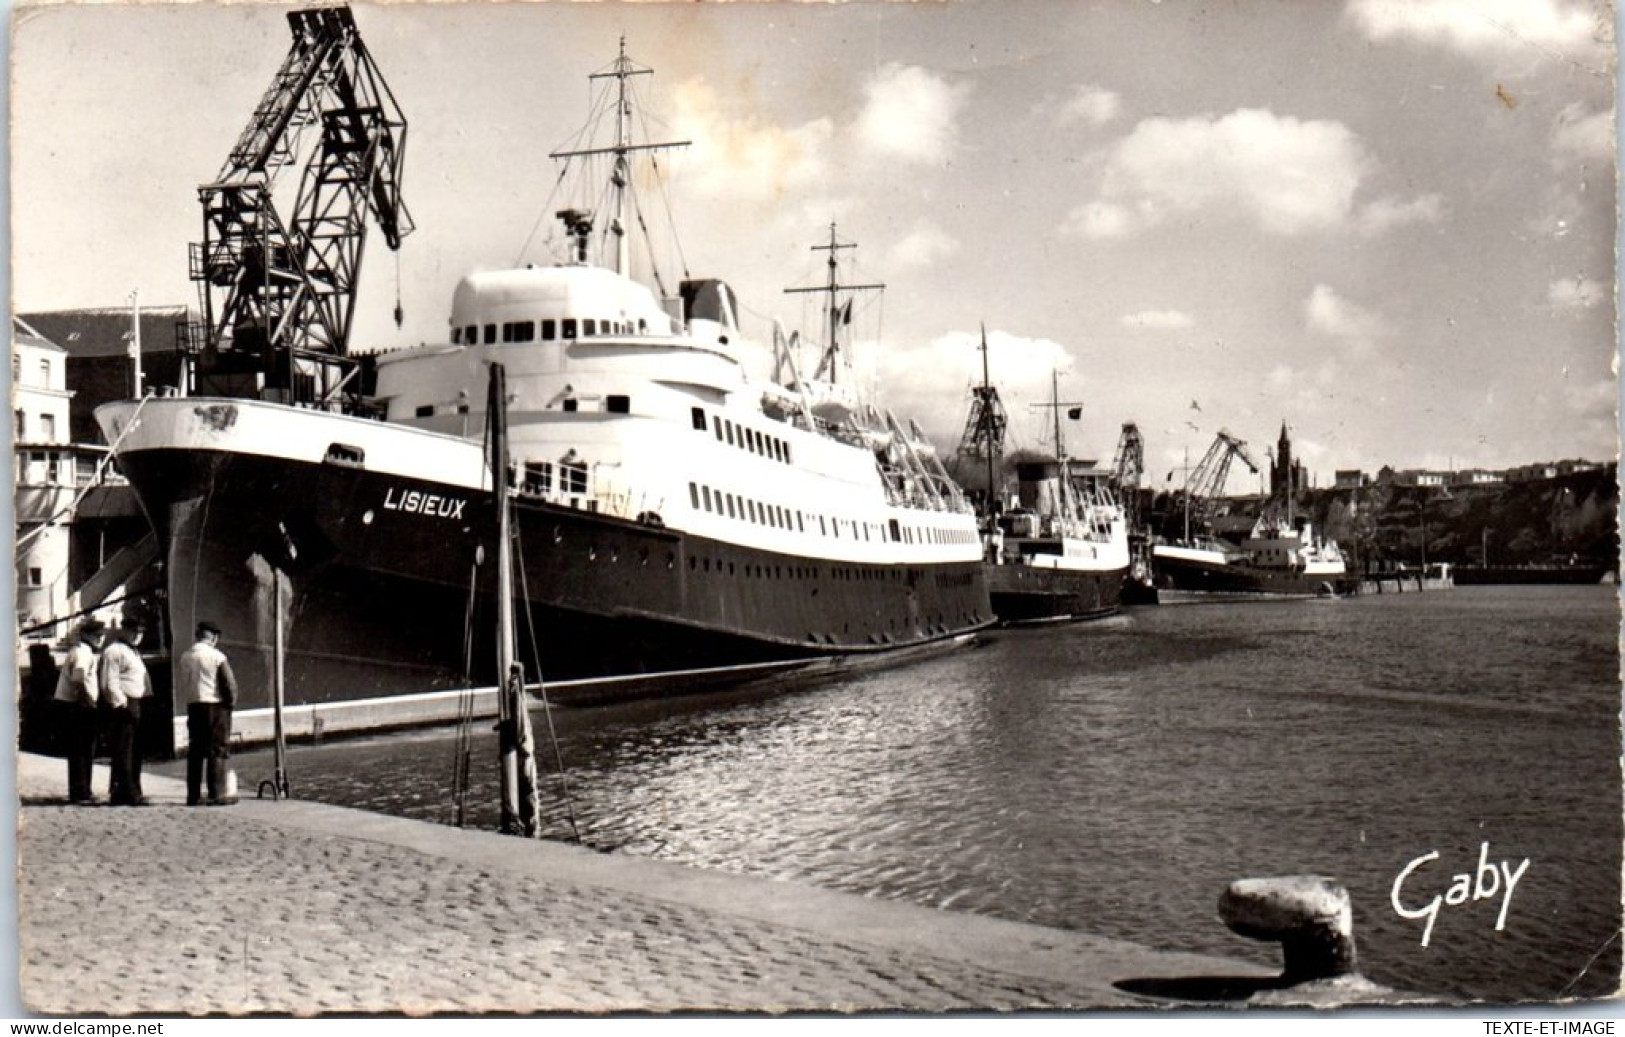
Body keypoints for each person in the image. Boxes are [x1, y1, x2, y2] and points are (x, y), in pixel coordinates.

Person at [175, 621, 238, 806]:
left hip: (194, 706)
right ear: (214, 637)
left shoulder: (186, 656)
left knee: (195, 751)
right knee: (217, 750)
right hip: (215, 706)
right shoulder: (217, 656)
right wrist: (230, 704)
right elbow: (229, 685)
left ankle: (193, 795)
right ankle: (216, 793)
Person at [53, 619, 106, 804]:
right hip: (79, 706)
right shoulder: (83, 653)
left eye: (101, 635)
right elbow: (79, 679)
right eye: (96, 635)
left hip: (73, 705)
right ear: (85, 635)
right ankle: (81, 793)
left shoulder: (78, 651)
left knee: (79, 751)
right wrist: (88, 701)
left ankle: (80, 790)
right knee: (83, 750)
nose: (100, 638)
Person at [98, 624, 152, 806]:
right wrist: (121, 704)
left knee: (135, 751)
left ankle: (132, 789)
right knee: (123, 751)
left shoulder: (133, 652)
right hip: (125, 705)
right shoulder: (114, 651)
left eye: (140, 632)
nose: (137, 635)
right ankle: (126, 792)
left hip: (137, 702)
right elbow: (109, 682)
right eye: (134, 631)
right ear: (124, 630)